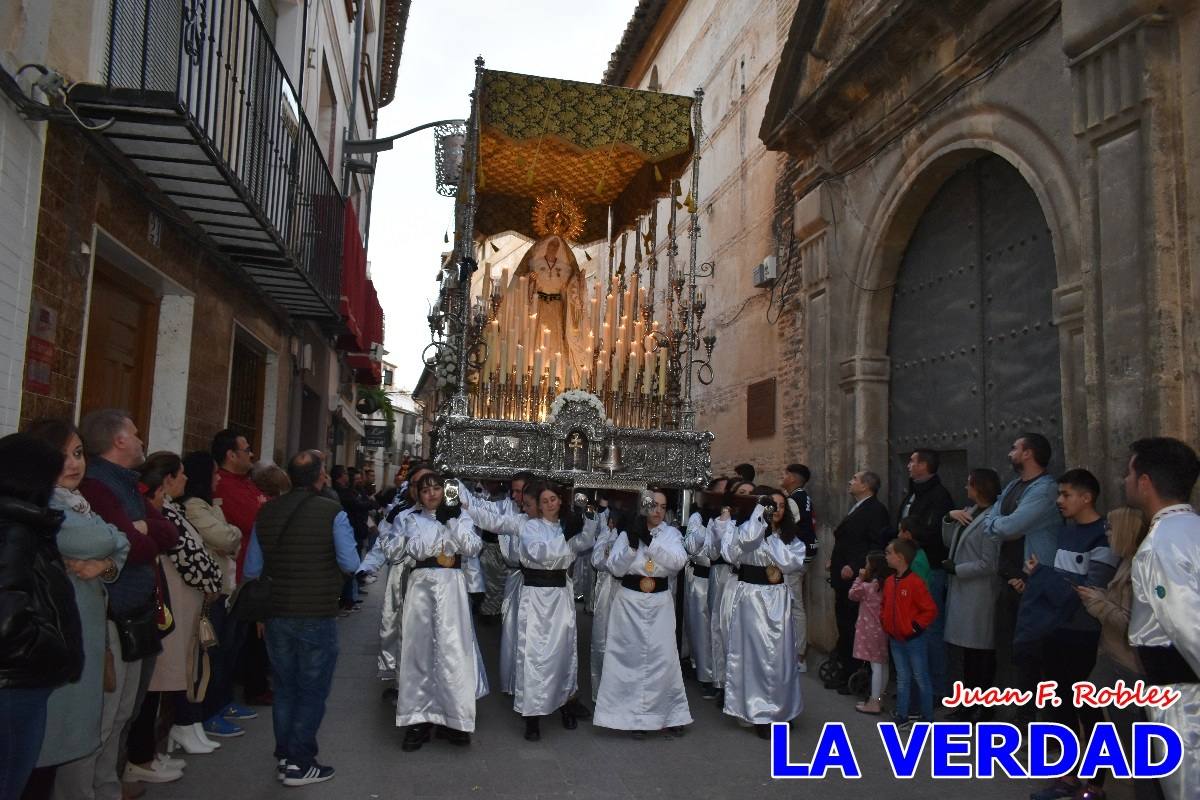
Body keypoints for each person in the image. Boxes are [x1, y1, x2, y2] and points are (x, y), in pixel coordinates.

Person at [242, 450, 361, 786]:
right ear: (321, 476)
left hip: (276, 613)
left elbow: (252, 569)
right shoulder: (332, 512)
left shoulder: (266, 511)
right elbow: (350, 563)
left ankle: (285, 756)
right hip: (315, 613)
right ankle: (299, 761)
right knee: (311, 690)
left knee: (284, 688)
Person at [75, 409, 177, 800]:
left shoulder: (128, 485)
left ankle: (109, 786)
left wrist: (144, 529)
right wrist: (140, 536)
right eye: (135, 434)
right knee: (107, 716)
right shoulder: (100, 487)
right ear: (118, 440)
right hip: (116, 617)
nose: (140, 440)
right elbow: (132, 548)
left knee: (123, 714)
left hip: (138, 614)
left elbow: (167, 534)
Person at [1016, 469, 1119, 800]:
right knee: (1060, 708)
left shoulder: (1103, 537)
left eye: (1065, 494)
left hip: (1083, 636)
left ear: (1086, 497)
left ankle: (1095, 785)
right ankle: (1067, 777)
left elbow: (1090, 589)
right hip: (1055, 630)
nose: (1059, 501)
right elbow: (1064, 581)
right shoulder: (1067, 532)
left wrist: (1045, 580)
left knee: (1088, 711)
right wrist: (1039, 576)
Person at [466, 482, 595, 742]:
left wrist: (588, 519)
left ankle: (564, 704)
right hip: (534, 597)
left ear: (560, 501)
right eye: (545, 500)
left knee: (562, 652)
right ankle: (531, 715)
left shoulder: (568, 526)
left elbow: (585, 542)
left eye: (554, 499)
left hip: (559, 598)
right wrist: (464, 502)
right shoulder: (525, 524)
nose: (550, 504)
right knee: (533, 655)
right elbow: (493, 521)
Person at [0, 433, 83, 800]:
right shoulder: (14, 531)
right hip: (16, 682)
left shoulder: (24, 526)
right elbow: (7, 619)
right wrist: (51, 648)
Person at [135, 453, 223, 771]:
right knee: (163, 677)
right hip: (172, 603)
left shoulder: (173, 509)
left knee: (183, 669)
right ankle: (144, 755)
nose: (185, 479)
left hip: (185, 602)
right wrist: (212, 576)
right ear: (167, 480)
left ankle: (159, 747)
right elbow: (189, 554)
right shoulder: (165, 512)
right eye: (180, 474)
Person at [1124, 437, 1200, 800]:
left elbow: (1190, 626)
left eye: (1128, 472)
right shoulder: (1191, 531)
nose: (1124, 481)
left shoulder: (1160, 545)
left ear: (1145, 482)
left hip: (1183, 703)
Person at [394, 474, 487, 751]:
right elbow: (409, 549)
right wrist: (436, 545)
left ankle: (454, 719)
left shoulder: (461, 517)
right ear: (418, 494)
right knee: (419, 652)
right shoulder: (410, 518)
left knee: (453, 652)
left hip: (452, 588)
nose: (432, 494)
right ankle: (418, 719)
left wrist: (452, 521)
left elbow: (472, 547)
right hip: (421, 588)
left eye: (437, 488)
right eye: (425, 490)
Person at [1078, 507, 1161, 800]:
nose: (1107, 534)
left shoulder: (1138, 567)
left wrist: (1097, 603)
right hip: (1111, 658)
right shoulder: (1126, 562)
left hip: (1126, 664)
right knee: (1092, 710)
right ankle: (1094, 782)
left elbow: (1134, 624)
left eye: (1112, 529)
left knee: (1134, 740)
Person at [594, 490, 692, 737]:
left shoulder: (671, 534)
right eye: (653, 505)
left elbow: (677, 562)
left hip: (659, 602)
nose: (657, 511)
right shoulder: (627, 533)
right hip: (629, 603)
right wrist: (632, 546)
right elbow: (614, 567)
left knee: (663, 657)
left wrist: (652, 542)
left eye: (662, 506)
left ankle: (668, 713)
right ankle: (629, 717)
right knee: (629, 658)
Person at [979, 432, 1059, 711]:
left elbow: (1008, 527)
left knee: (1035, 657)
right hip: (1008, 579)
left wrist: (1001, 524)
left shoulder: (1045, 489)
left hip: (1034, 582)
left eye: (1015, 448)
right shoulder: (1014, 485)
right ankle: (1019, 716)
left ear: (1028, 453)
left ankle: (1041, 726)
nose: (1010, 452)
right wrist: (1001, 524)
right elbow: (993, 521)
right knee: (1011, 652)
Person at [719, 490, 807, 738]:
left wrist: (772, 539)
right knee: (754, 655)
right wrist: (759, 524)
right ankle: (758, 712)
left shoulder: (790, 538)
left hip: (778, 597)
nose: (775, 511)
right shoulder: (746, 529)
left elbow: (791, 563)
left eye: (779, 506)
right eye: (770, 506)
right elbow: (736, 550)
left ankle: (782, 710)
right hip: (751, 597)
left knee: (780, 656)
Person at [178, 452, 253, 740]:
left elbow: (231, 537)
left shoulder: (211, 506)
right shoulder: (194, 507)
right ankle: (207, 713)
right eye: (213, 474)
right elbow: (227, 537)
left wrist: (229, 537)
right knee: (212, 655)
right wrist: (229, 537)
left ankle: (220, 705)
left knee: (225, 653)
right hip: (210, 594)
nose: (218, 478)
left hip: (224, 588)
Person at [940, 467, 1002, 721]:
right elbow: (949, 541)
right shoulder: (971, 512)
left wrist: (958, 569)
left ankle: (984, 707)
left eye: (969, 484)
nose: (966, 488)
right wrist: (949, 517)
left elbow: (989, 563)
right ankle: (968, 704)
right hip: (963, 592)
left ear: (980, 487)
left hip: (979, 595)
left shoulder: (992, 519)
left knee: (980, 654)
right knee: (969, 654)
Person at [896, 449, 955, 701]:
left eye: (913, 461)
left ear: (924, 466)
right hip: (907, 570)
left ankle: (936, 689)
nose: (908, 464)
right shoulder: (914, 492)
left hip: (928, 570)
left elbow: (932, 534)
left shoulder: (939, 496)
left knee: (929, 629)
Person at [826, 471, 890, 693]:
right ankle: (845, 669)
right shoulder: (859, 507)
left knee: (851, 625)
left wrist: (854, 565)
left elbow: (873, 543)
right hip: (843, 575)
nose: (850, 481)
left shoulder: (875, 510)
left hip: (854, 576)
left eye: (855, 479)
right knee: (844, 624)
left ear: (866, 486)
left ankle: (853, 671)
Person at [881, 538, 937, 727]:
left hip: (913, 639)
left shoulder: (915, 582)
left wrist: (915, 627)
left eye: (889, 553)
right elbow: (885, 605)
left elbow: (929, 609)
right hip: (895, 637)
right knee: (903, 677)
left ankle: (927, 716)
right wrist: (885, 622)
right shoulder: (889, 582)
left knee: (920, 676)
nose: (886, 556)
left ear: (901, 557)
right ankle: (902, 714)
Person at [707, 478, 750, 703]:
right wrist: (722, 525)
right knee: (723, 631)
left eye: (750, 493)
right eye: (742, 492)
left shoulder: (758, 524)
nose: (747, 497)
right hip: (728, 579)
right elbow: (714, 552)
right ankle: (723, 683)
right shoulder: (726, 522)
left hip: (753, 588)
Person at [682, 483, 720, 698]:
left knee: (719, 628)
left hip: (722, 578)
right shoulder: (698, 518)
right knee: (702, 628)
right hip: (702, 578)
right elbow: (692, 544)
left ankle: (721, 675)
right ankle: (706, 675)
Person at [780, 464, 816, 673]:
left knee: (794, 605)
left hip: (796, 557)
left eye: (785, 474)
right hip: (805, 554)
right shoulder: (804, 497)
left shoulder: (794, 500)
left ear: (793, 478)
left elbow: (789, 527)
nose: (782, 477)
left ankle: (799, 655)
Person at [849, 551, 889, 715]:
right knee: (883, 663)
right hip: (883, 629)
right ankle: (879, 697)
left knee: (875, 665)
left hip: (869, 629)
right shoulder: (885, 585)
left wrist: (859, 578)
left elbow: (852, 594)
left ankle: (874, 701)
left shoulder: (867, 586)